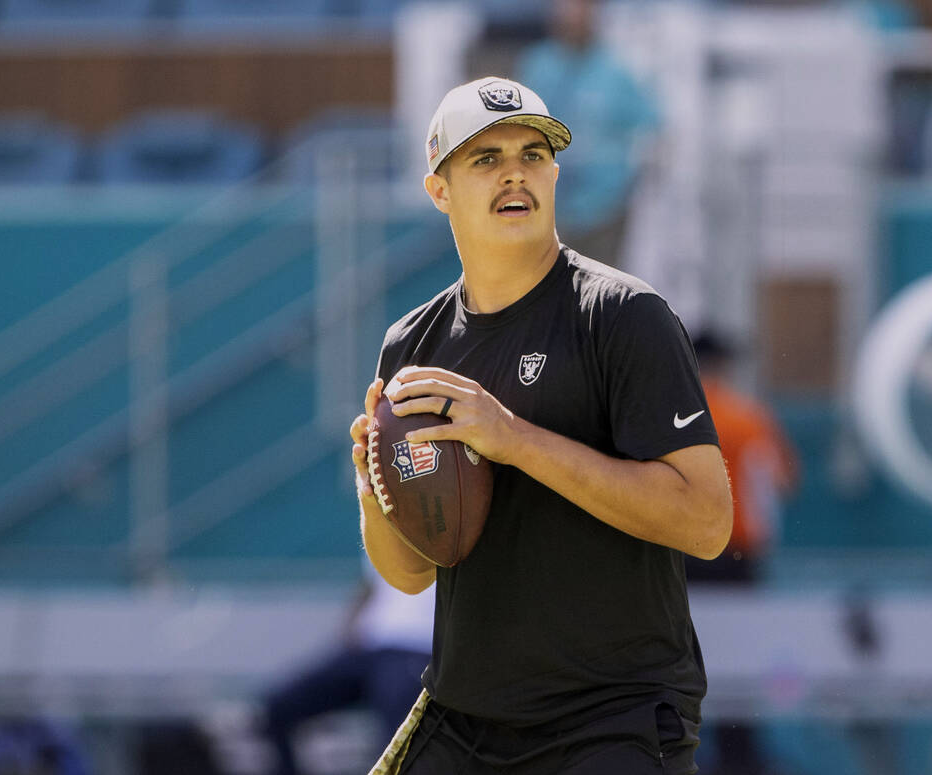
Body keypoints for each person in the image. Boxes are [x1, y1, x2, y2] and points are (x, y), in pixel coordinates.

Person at [348, 76, 732, 775]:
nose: (515, 173)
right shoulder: (412, 343)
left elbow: (707, 521)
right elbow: (409, 574)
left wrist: (515, 440)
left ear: (555, 173)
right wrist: (375, 488)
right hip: (466, 718)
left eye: (532, 153)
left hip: (611, 717)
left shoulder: (623, 316)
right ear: (440, 189)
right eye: (485, 159)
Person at [685, 331, 800, 775]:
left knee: (681, 657)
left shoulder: (669, 417)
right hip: (737, 558)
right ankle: (740, 757)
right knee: (741, 663)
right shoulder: (749, 417)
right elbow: (784, 481)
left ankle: (678, 753)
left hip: (682, 555)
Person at [514, 0, 661, 266]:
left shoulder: (617, 72)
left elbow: (652, 126)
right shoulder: (538, 66)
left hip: (605, 207)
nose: (573, 13)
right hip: (548, 208)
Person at [261, 560, 433, 775]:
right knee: (277, 706)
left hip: (416, 646)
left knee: (399, 738)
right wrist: (349, 630)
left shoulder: (455, 532)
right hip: (367, 647)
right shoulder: (387, 530)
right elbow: (371, 586)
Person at [686, 331, 800, 586]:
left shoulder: (664, 419)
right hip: (736, 548)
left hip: (680, 546)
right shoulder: (750, 419)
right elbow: (783, 483)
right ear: (724, 367)